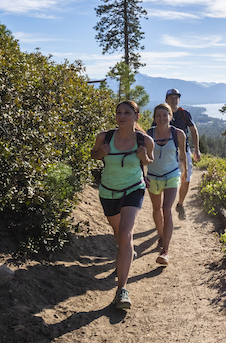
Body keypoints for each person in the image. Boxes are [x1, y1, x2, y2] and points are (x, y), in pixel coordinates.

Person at [90, 100, 153, 310]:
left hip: (133, 189)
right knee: (118, 234)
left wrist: (144, 158)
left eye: (127, 112)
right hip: (108, 192)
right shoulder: (104, 137)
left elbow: (149, 160)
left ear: (136, 116)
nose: (122, 116)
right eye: (119, 112)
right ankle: (126, 252)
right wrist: (102, 153)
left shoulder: (144, 140)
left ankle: (121, 290)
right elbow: (94, 154)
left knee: (126, 234)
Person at [145, 103, 187, 266]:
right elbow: (141, 157)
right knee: (156, 209)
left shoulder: (178, 134)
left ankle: (165, 251)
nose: (162, 118)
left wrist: (183, 173)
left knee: (166, 209)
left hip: (171, 175)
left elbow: (182, 156)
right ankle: (161, 236)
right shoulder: (148, 135)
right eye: (158, 116)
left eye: (165, 115)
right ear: (154, 118)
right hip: (153, 176)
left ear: (170, 116)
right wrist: (142, 174)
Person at [165, 88, 200, 218]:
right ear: (166, 100)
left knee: (186, 179)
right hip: (167, 152)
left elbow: (193, 130)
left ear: (179, 99)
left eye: (176, 97)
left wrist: (196, 149)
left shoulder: (184, 114)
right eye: (171, 97)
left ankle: (180, 204)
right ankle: (167, 207)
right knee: (168, 180)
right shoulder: (162, 114)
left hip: (183, 151)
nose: (174, 100)